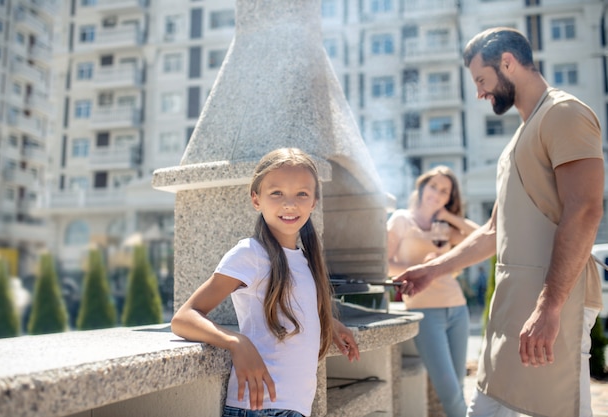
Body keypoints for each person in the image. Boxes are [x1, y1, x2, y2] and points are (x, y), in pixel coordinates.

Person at [395, 27, 604, 417]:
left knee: (558, 409)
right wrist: (432, 270)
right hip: (512, 306)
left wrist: (549, 306)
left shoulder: (564, 114)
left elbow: (586, 209)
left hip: (555, 304)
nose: (479, 93)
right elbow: (494, 232)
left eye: (481, 79)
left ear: (507, 62)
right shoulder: (515, 143)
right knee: (488, 405)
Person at [171, 148, 360, 417]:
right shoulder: (251, 253)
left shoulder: (305, 260)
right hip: (261, 408)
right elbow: (184, 318)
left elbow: (294, 309)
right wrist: (236, 342)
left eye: (301, 194)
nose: (290, 204)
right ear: (256, 199)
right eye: (276, 193)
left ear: (314, 202)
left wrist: (330, 324)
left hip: (291, 407)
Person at [387, 165, 479, 417]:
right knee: (449, 392)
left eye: (445, 191)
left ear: (450, 198)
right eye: (434, 186)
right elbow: (384, 263)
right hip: (424, 311)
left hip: (457, 309)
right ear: (422, 186)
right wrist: (422, 268)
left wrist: (448, 216)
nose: (437, 193)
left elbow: (482, 236)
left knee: (458, 387)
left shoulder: (443, 228)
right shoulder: (401, 219)